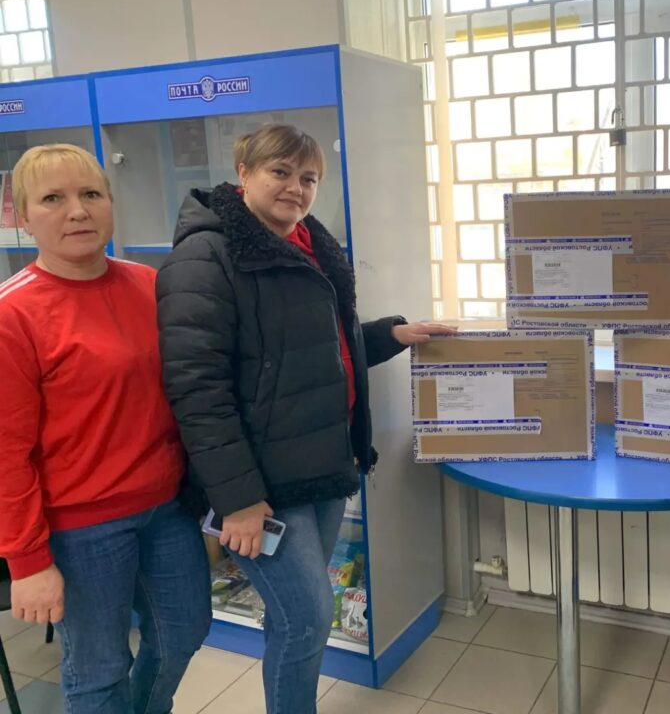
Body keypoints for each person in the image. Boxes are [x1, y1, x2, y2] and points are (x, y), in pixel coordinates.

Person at [156, 123, 453, 714]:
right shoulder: (207, 256)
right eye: (280, 172)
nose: (296, 187)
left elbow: (315, 351)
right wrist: (239, 499)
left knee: (295, 620)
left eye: (309, 178)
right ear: (244, 173)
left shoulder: (310, 244)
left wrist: (390, 334)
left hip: (322, 465)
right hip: (262, 485)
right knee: (308, 618)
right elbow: (196, 389)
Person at [0, 144, 211, 713]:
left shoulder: (150, 285)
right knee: (98, 671)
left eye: (91, 194)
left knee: (184, 631)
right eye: (53, 198)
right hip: (79, 528)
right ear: (24, 218)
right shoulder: (12, 314)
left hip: (166, 508)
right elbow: (6, 454)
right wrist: (27, 562)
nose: (77, 211)